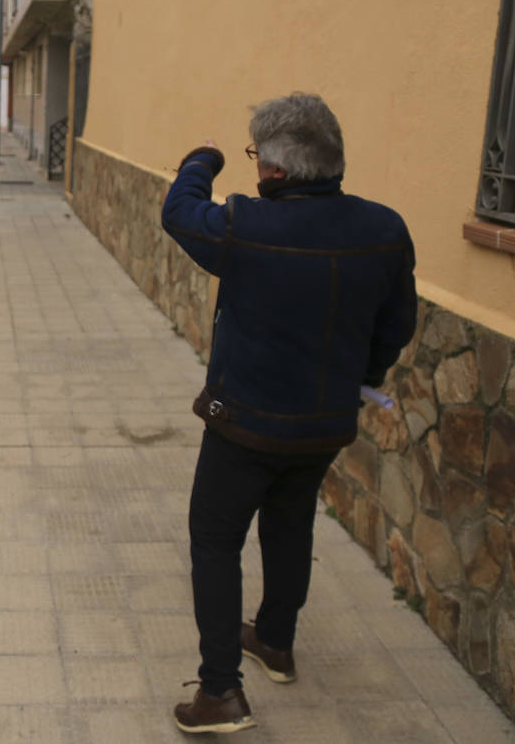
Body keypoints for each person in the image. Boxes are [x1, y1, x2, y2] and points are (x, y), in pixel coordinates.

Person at [160, 93, 417, 734]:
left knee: (216, 542)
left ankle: (219, 691)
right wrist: (362, 380)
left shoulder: (245, 224)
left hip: (244, 424)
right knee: (289, 524)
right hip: (324, 424)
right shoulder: (386, 230)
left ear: (273, 170)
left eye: (253, 159)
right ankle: (275, 640)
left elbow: (179, 212)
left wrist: (202, 160)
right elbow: (395, 327)